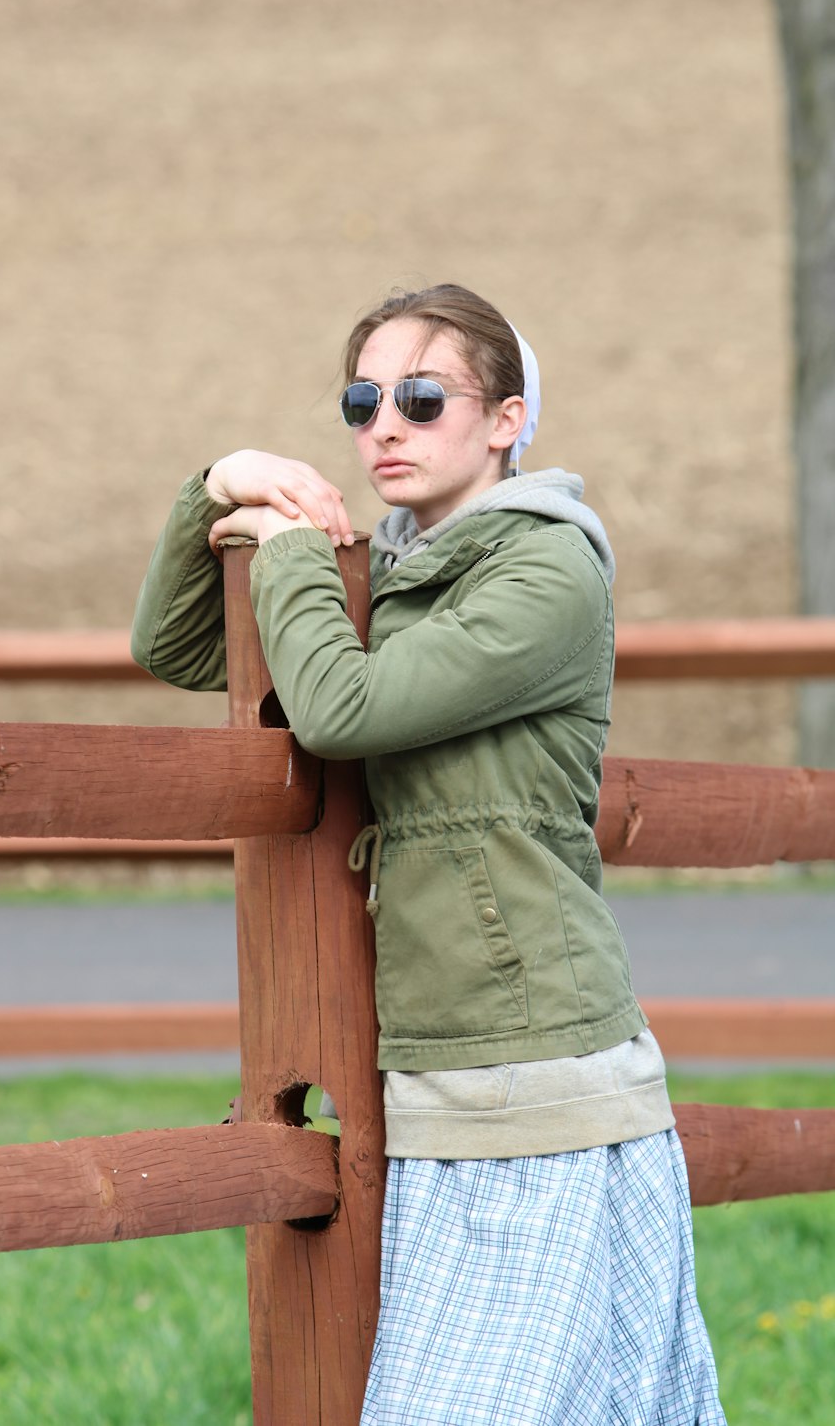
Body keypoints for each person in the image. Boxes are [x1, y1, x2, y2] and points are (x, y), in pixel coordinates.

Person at [131, 283, 727, 1424]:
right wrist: (221, 485)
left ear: (506, 420)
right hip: (440, 1072)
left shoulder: (545, 575)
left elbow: (344, 713)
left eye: (420, 396)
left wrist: (293, 548)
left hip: (537, 1077)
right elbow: (175, 645)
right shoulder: (400, 577)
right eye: (362, 401)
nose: (382, 428)